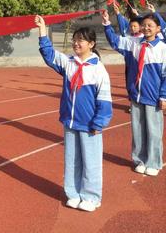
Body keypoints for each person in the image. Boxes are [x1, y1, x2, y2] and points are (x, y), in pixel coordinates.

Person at [35, 15, 112, 212]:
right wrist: (43, 30)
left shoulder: (98, 70)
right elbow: (48, 54)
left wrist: (99, 122)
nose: (76, 43)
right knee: (72, 160)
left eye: (81, 40)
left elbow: (104, 99)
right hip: (70, 122)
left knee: (91, 161)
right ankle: (73, 193)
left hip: (89, 124)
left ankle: (91, 197)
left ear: (91, 44)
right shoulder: (69, 63)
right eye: (75, 40)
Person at [102, 10, 166, 176]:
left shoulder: (162, 49)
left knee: (153, 131)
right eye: (144, 25)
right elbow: (115, 41)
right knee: (137, 130)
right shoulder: (133, 43)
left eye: (150, 26)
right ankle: (139, 160)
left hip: (153, 97)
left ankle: (154, 162)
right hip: (136, 95)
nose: (146, 28)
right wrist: (107, 24)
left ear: (158, 28)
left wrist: (163, 96)